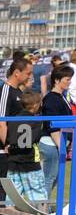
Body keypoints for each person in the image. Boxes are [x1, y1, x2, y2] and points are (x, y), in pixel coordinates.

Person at [0, 54, 30, 204]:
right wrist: (8, 143)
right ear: (17, 73)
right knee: (2, 181)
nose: (29, 76)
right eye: (28, 73)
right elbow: (1, 122)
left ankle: (8, 213)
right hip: (4, 146)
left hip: (15, 145)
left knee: (14, 182)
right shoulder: (5, 92)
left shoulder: (18, 91)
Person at [5, 90, 47, 205]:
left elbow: (9, 139)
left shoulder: (12, 120)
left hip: (13, 162)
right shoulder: (36, 120)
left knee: (12, 196)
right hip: (30, 162)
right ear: (34, 106)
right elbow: (34, 139)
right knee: (38, 194)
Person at [40, 63, 74, 195]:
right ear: (56, 80)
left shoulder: (61, 97)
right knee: (49, 178)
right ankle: (40, 208)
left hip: (59, 143)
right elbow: (52, 126)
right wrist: (62, 147)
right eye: (67, 79)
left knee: (55, 178)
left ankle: (43, 206)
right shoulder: (51, 99)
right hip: (52, 143)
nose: (69, 82)